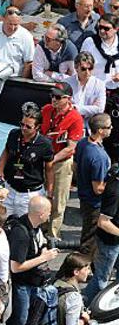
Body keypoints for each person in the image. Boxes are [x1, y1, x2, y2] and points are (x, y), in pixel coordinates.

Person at [7, 196, 55, 325]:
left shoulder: (34, 227)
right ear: (40, 213)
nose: (50, 215)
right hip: (22, 285)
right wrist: (43, 258)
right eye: (48, 212)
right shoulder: (21, 233)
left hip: (33, 283)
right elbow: (15, 267)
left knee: (30, 320)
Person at [0, 102, 54, 218]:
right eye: (22, 124)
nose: (23, 128)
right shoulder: (14, 134)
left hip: (30, 194)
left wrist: (50, 192)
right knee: (1, 221)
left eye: (28, 126)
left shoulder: (45, 144)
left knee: (24, 226)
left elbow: (49, 169)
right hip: (9, 189)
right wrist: (0, 170)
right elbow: (6, 151)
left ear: (37, 127)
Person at [42, 83, 85, 239]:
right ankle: (40, 231)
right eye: (52, 96)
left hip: (61, 163)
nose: (54, 99)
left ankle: (53, 236)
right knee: (43, 197)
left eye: (58, 97)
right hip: (44, 161)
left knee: (58, 202)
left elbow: (70, 148)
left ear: (68, 99)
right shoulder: (46, 110)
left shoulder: (76, 118)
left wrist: (52, 160)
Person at [76, 114, 113, 255]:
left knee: (88, 232)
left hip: (84, 196)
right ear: (100, 130)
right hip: (94, 203)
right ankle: (83, 262)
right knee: (90, 239)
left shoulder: (82, 142)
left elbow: (75, 166)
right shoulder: (98, 157)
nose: (112, 128)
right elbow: (98, 189)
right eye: (109, 126)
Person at [80, 12, 119, 91]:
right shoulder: (90, 42)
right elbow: (80, 65)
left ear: (116, 29)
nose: (102, 30)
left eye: (106, 28)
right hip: (94, 89)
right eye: (100, 27)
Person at [68, 52, 108, 122]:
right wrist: (92, 108)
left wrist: (75, 107)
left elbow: (100, 109)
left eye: (90, 68)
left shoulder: (100, 84)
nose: (87, 72)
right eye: (83, 69)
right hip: (70, 121)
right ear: (76, 68)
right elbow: (63, 106)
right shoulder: (67, 83)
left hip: (91, 124)